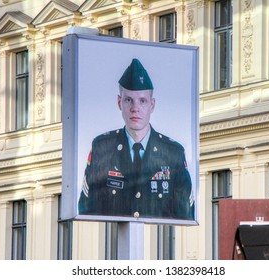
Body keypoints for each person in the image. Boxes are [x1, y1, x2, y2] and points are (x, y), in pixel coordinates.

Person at [78, 58, 194, 220]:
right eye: (128, 100)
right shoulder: (102, 148)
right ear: (119, 102)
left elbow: (186, 215)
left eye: (142, 101)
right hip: (114, 242)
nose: (135, 108)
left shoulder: (173, 153)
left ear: (152, 105)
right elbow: (86, 210)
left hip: (159, 243)